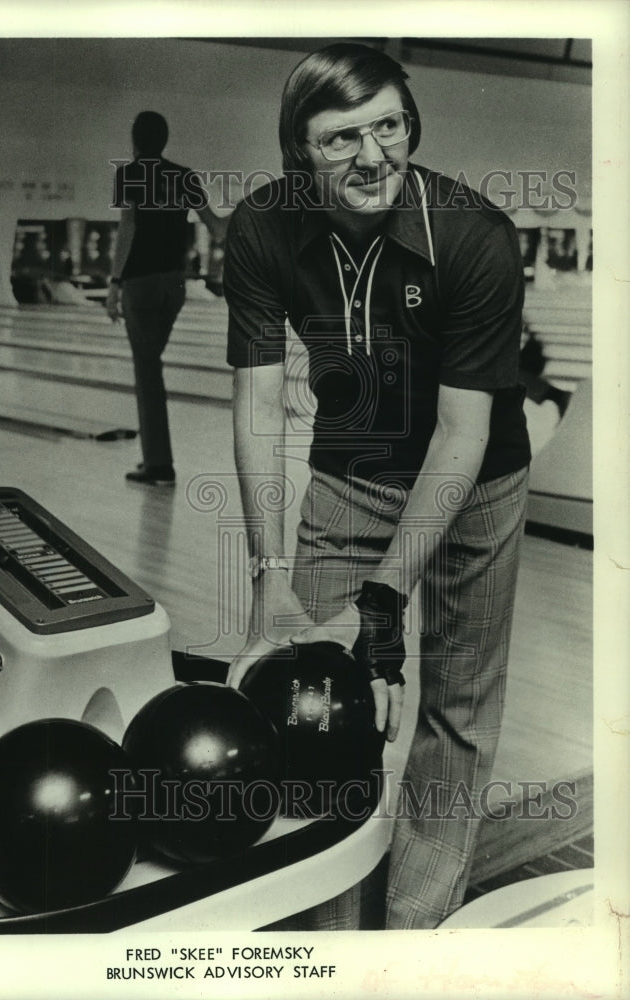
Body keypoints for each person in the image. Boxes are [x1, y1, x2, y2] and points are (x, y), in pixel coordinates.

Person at [224, 43, 531, 930]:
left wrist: (383, 605)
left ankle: (410, 934)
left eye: (389, 126)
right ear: (297, 152)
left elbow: (461, 432)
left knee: (455, 711)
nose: (372, 157)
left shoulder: (473, 237)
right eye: (340, 139)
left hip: (473, 485)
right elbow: (253, 407)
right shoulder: (261, 227)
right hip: (347, 477)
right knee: (310, 700)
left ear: (411, 125)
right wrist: (267, 578)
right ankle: (330, 934)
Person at [107, 111, 228, 485]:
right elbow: (217, 226)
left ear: (135, 140)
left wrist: (114, 283)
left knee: (146, 370)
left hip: (140, 283)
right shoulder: (184, 175)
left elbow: (127, 229)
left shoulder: (127, 174)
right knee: (151, 365)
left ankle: (159, 464)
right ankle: (155, 459)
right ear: (164, 139)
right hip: (175, 284)